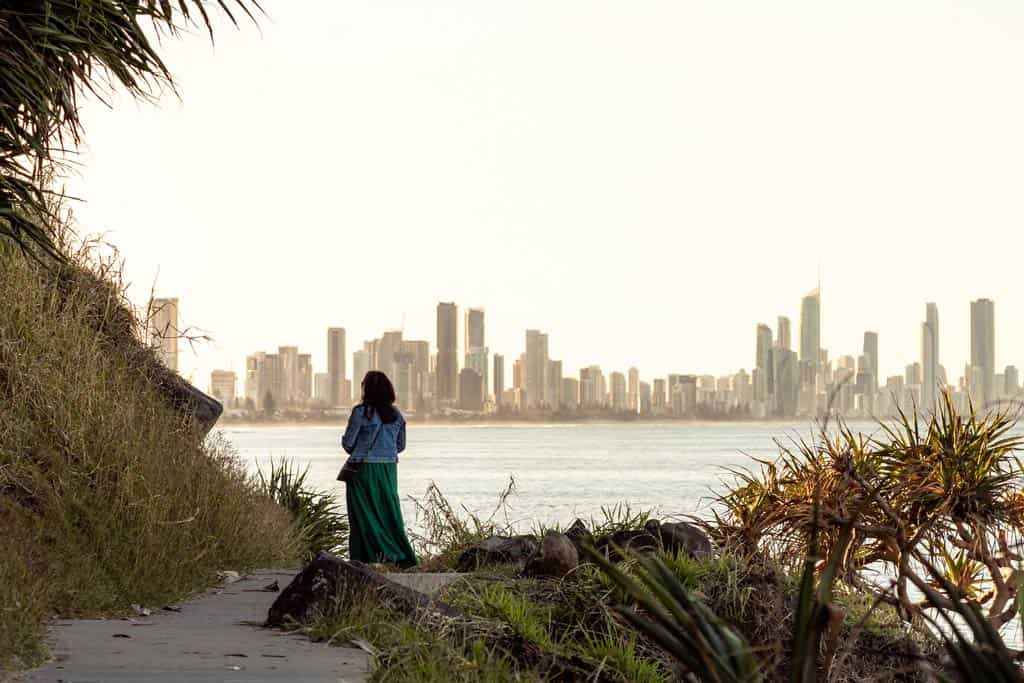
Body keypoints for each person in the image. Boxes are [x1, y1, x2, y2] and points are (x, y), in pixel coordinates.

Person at [341, 371, 417, 569]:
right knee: (388, 512)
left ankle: (365, 559)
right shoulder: (397, 415)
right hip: (388, 470)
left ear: (366, 390)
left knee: (362, 515)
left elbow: (349, 443)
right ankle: (398, 556)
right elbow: (400, 446)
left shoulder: (361, 412)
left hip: (362, 470)